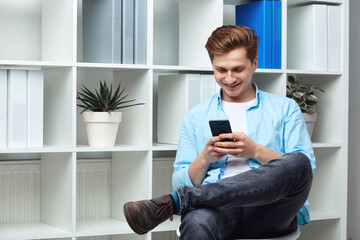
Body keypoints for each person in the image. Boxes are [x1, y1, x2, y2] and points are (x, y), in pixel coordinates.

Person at [123, 25, 315, 239]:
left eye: (238, 69)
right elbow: (180, 180)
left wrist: (255, 151)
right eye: (221, 70)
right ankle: (183, 200)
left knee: (299, 162)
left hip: (269, 209)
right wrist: (205, 158)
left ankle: (177, 202)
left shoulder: (285, 108)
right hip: (217, 208)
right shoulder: (196, 116)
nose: (230, 79)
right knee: (196, 222)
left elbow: (304, 172)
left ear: (254, 64)